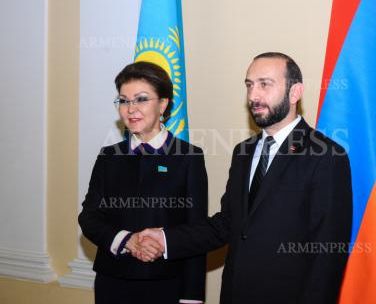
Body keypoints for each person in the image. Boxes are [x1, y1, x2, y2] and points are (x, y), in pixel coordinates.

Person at [137, 52, 353, 304]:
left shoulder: (326, 155)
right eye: (249, 85)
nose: (253, 96)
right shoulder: (243, 152)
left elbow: (327, 254)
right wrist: (165, 239)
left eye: (265, 84)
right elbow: (227, 224)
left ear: (295, 92)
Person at [78, 61, 207, 304]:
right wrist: (127, 240)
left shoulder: (188, 157)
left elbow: (197, 231)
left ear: (163, 104)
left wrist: (192, 298)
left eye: (141, 99)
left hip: (167, 285)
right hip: (113, 282)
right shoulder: (109, 156)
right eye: (124, 100)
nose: (131, 109)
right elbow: (89, 218)